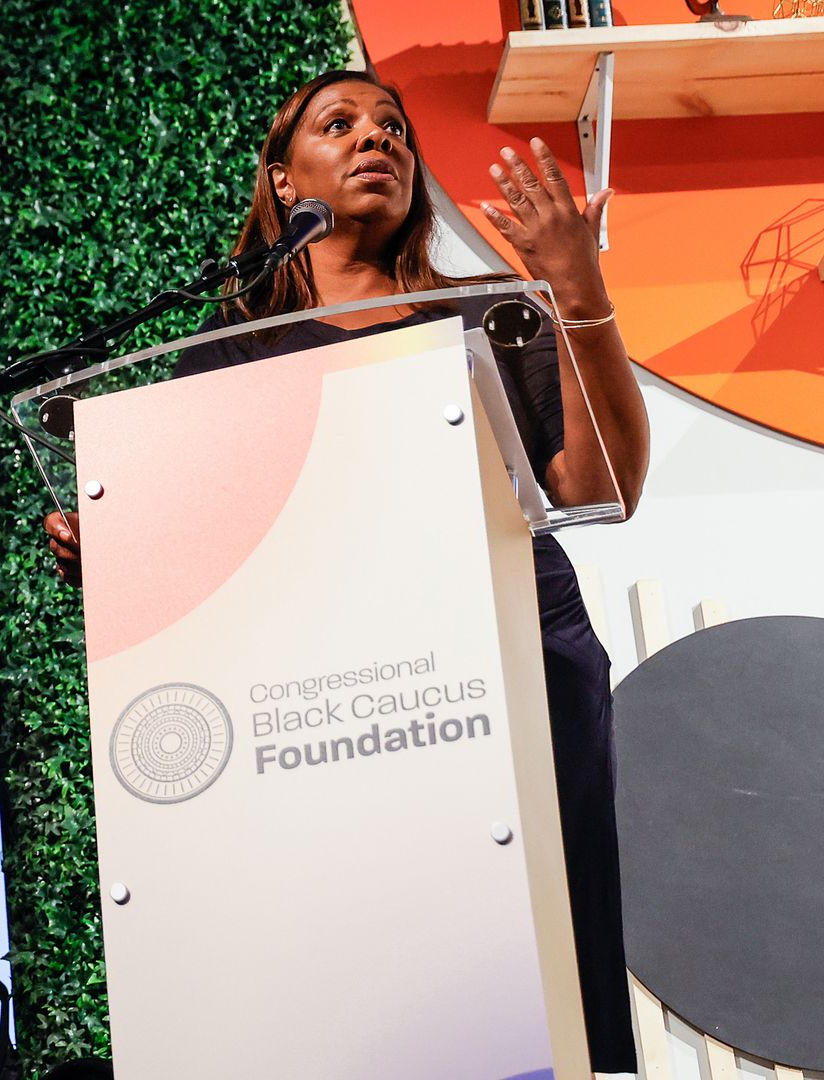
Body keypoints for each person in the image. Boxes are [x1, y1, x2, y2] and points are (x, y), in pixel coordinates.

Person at [44, 71, 648, 1073]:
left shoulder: (491, 314)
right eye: (343, 124)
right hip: (339, 720)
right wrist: (113, 549)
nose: (380, 139)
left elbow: (601, 487)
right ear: (285, 183)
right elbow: (213, 566)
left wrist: (576, 291)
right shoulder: (230, 358)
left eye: (396, 127)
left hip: (521, 676)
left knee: (552, 986)